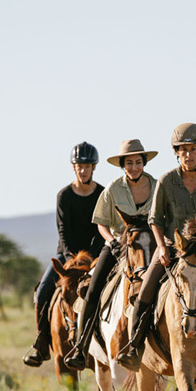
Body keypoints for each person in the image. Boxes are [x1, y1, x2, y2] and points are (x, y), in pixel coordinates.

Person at [120, 122, 196, 363]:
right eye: (183, 150)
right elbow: (155, 219)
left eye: (192, 149)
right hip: (174, 250)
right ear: (176, 152)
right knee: (146, 289)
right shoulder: (166, 181)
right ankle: (134, 347)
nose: (188, 154)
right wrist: (161, 247)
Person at [63, 139, 158, 371]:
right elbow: (101, 224)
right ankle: (81, 345)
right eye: (129, 163)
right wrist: (112, 241)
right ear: (122, 165)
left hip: (150, 246)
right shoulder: (112, 189)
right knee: (92, 288)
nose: (134, 167)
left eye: (138, 162)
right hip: (118, 245)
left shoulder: (157, 186)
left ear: (144, 163)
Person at [23, 142, 105, 367]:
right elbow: (63, 230)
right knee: (42, 293)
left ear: (94, 167)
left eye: (87, 166)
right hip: (66, 256)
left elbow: (101, 228)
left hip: (94, 257)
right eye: (79, 165)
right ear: (73, 167)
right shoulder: (64, 196)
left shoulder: (102, 193)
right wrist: (71, 257)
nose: (83, 170)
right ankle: (41, 343)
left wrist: (91, 257)